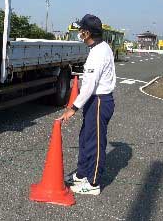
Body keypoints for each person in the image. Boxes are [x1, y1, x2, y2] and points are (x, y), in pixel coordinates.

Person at [58, 14, 116, 195]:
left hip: (99, 100)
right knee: (85, 138)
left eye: (81, 30)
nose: (79, 33)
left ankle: (93, 183)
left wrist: (72, 108)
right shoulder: (99, 47)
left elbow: (90, 85)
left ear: (88, 32)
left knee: (95, 142)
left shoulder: (98, 53)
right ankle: (82, 173)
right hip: (94, 100)